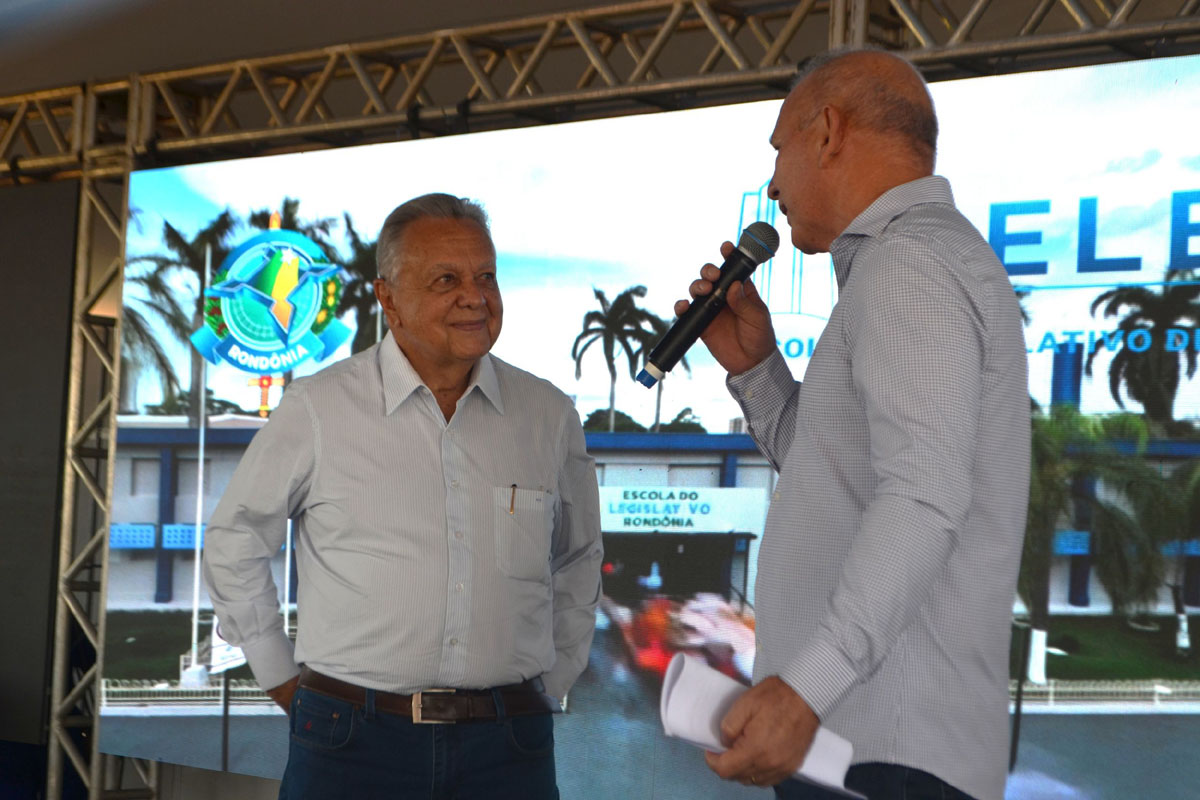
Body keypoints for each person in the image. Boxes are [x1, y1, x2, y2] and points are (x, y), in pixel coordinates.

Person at [677, 49, 1029, 800]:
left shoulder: (910, 264)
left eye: (779, 149)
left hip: (885, 752)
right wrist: (757, 371)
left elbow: (922, 497)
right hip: (873, 750)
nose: (772, 184)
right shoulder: (908, 263)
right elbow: (839, 476)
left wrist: (806, 688)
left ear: (829, 131)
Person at [202, 193, 603, 800]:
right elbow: (235, 540)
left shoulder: (546, 414)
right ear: (387, 296)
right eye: (447, 279)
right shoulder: (319, 407)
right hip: (350, 744)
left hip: (509, 749)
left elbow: (578, 556)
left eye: (486, 277)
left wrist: (557, 676)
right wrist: (280, 676)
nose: (475, 296)